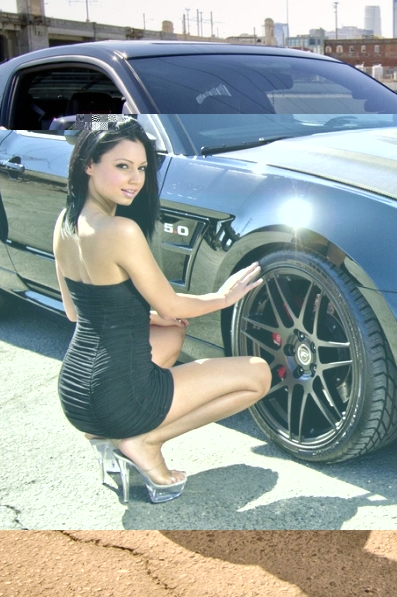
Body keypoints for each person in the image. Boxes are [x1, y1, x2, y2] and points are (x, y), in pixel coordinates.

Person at [52, 120, 271, 503]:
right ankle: (145, 441)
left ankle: (112, 436)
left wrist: (151, 317)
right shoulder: (119, 230)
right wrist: (222, 297)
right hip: (118, 397)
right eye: (122, 166)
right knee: (258, 374)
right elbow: (171, 303)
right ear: (88, 163)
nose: (135, 179)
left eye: (141, 168)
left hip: (75, 393)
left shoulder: (66, 222)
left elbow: (75, 312)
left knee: (171, 331)